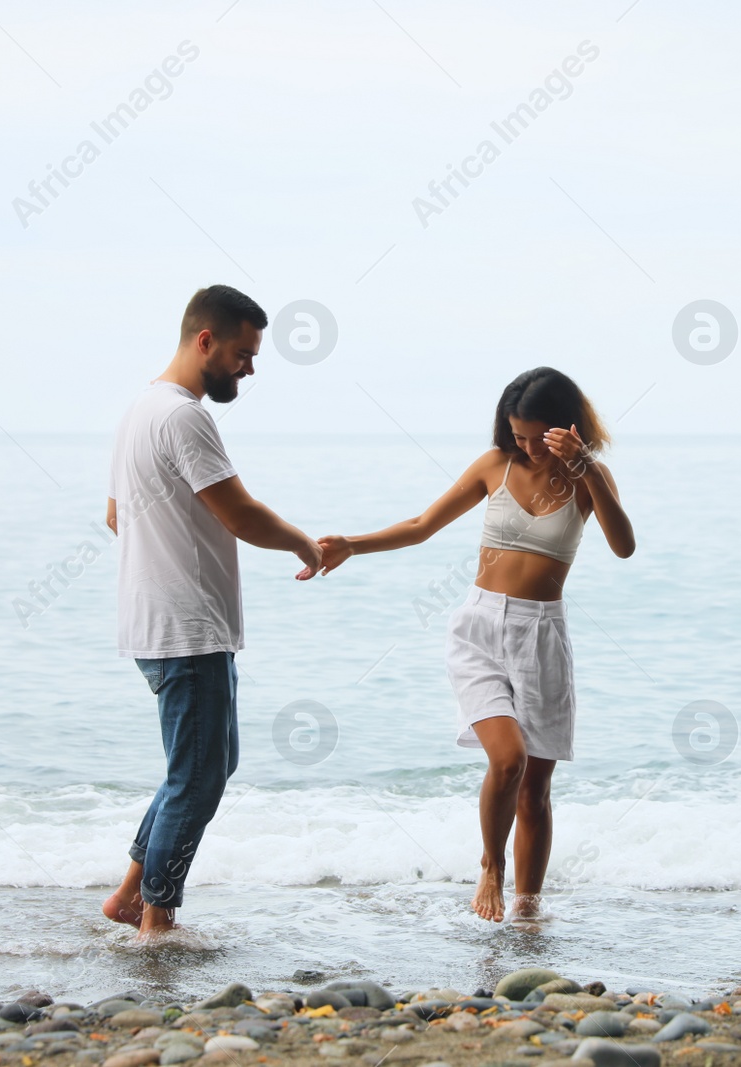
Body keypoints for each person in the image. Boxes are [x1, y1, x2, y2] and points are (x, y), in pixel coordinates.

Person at [317, 367, 635, 922]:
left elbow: (624, 546)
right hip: (480, 629)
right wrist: (351, 544)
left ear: (568, 429)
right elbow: (421, 525)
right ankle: (491, 865)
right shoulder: (496, 466)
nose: (529, 446)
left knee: (536, 787)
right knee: (507, 760)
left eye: (539, 436)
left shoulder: (589, 477)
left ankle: (529, 911)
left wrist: (586, 469)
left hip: (542, 635)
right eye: (519, 434)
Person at [100, 284, 323, 939]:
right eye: (243, 353)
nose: (249, 368)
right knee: (196, 776)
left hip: (159, 623)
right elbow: (240, 510)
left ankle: (127, 897)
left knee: (205, 766)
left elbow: (115, 515)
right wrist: (303, 541)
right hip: (186, 626)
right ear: (205, 340)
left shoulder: (139, 410)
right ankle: (157, 919)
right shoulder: (182, 416)